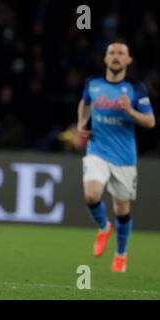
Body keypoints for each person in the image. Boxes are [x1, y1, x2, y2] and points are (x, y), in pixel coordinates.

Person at [77, 40, 155, 272]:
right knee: (92, 195)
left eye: (121, 53)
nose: (116, 57)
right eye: (112, 53)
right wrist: (81, 123)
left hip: (124, 157)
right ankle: (103, 227)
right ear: (105, 58)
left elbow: (150, 122)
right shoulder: (93, 83)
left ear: (129, 60)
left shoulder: (135, 88)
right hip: (97, 150)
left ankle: (121, 254)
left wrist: (130, 111)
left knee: (122, 209)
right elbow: (85, 103)